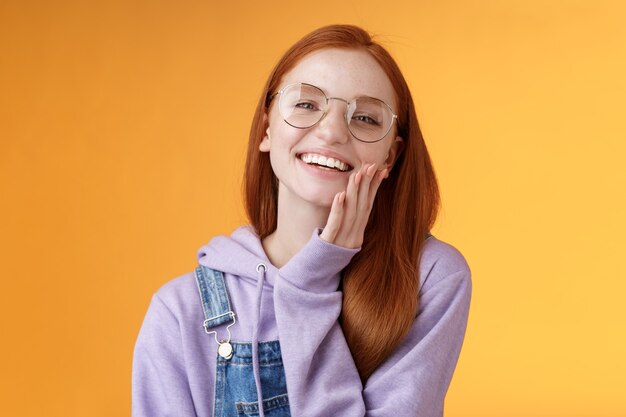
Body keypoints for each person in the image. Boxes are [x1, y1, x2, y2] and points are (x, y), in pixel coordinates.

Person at [132, 24, 472, 417]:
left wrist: (311, 280)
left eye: (365, 118)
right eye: (307, 105)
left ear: (390, 158)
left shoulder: (429, 277)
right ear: (266, 130)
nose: (331, 132)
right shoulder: (180, 311)